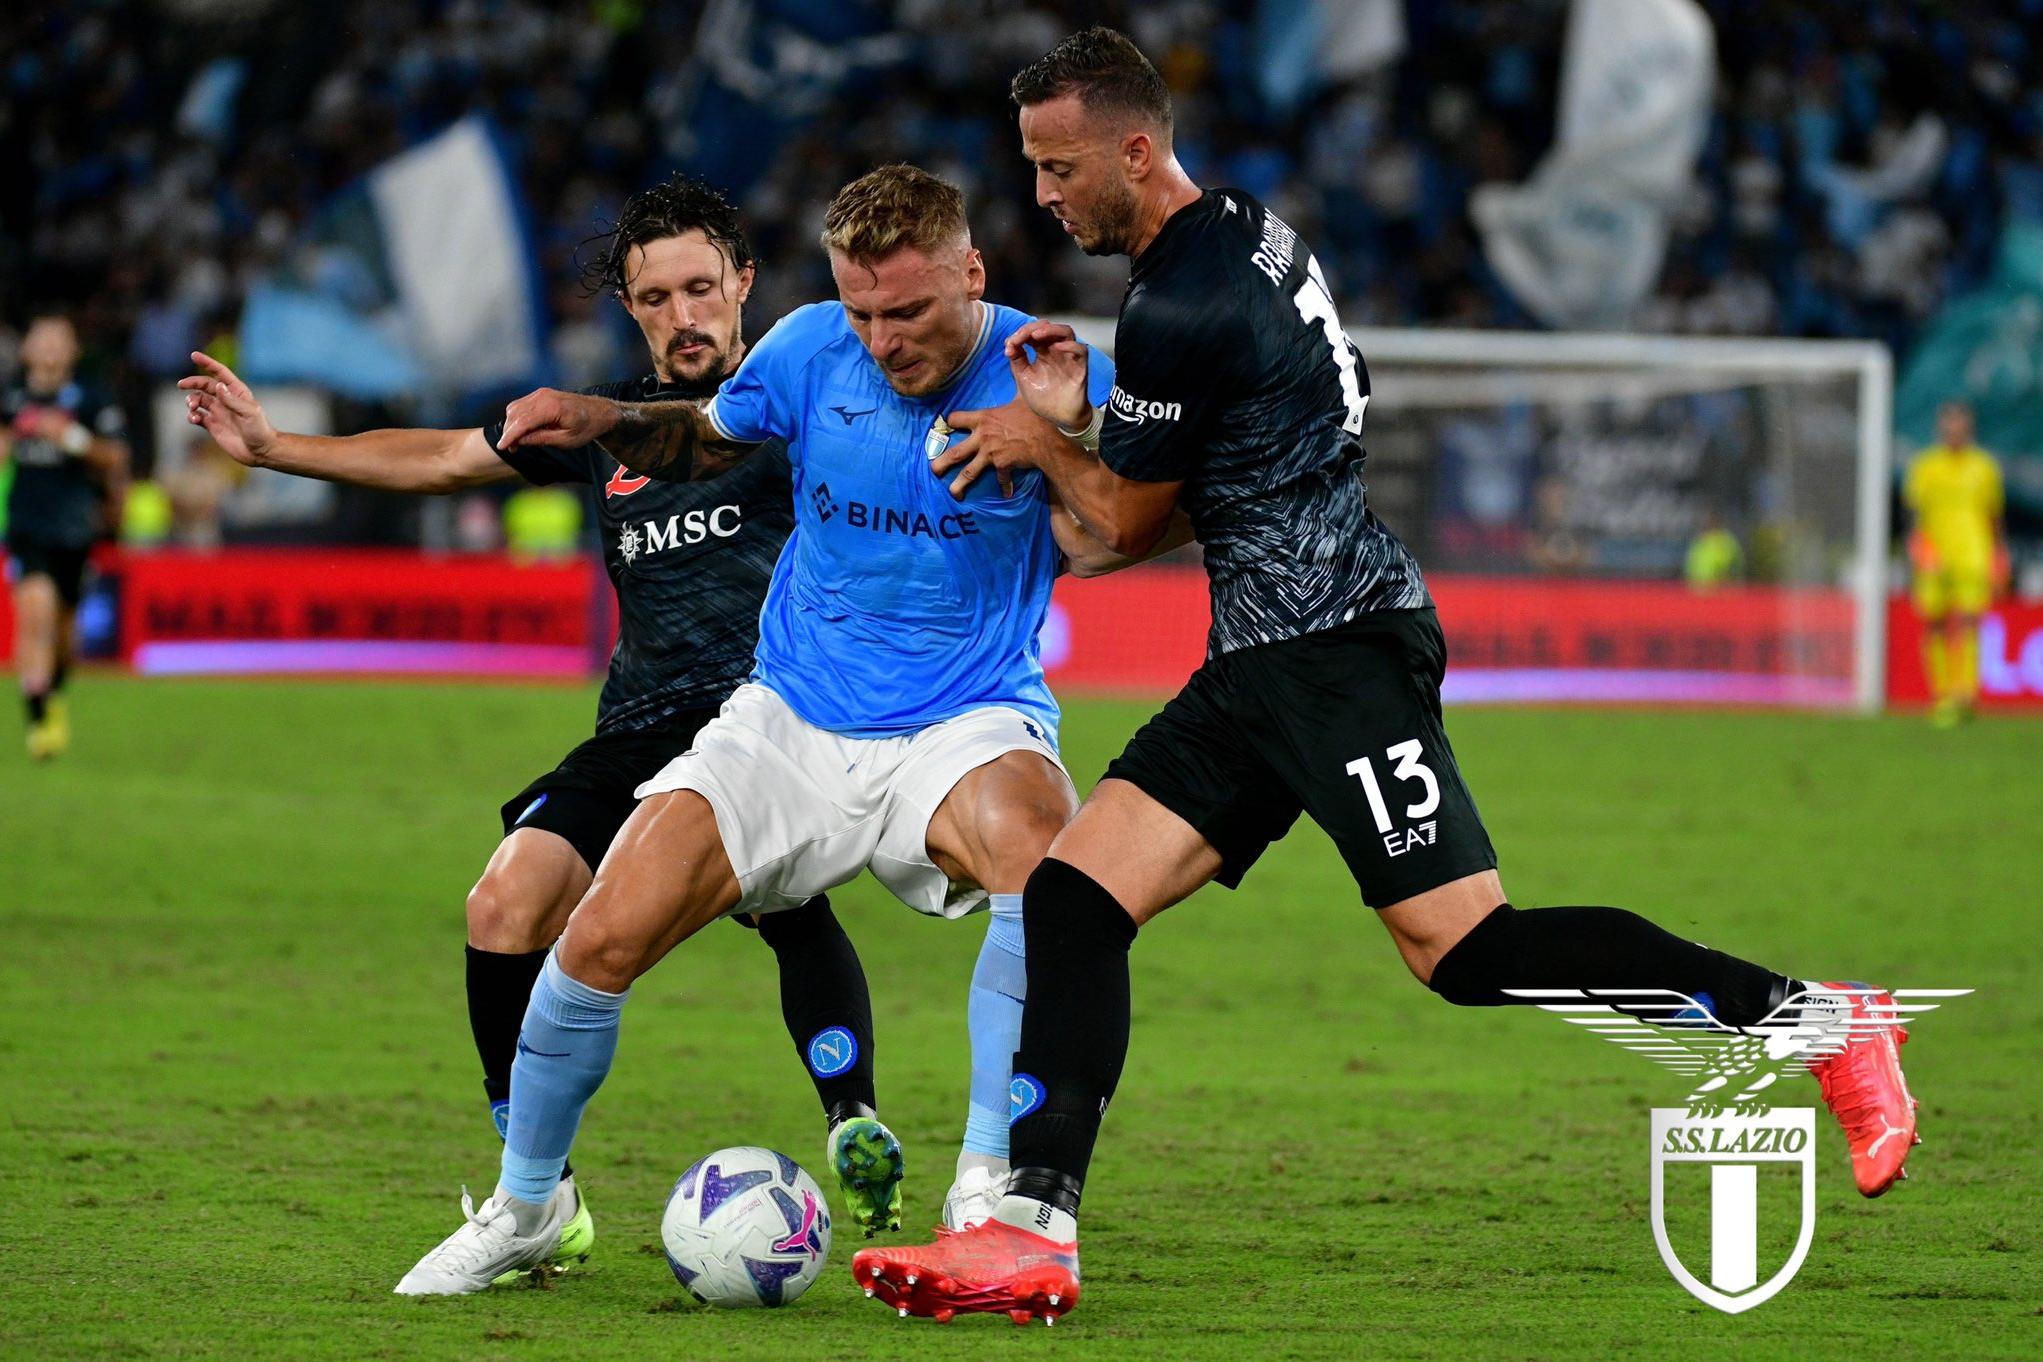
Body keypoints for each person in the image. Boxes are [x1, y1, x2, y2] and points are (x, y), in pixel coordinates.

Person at [857, 28, 1926, 1325]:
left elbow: (1125, 529)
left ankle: (1820, 1023)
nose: (1043, 196)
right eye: (1032, 168)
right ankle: (1030, 1228)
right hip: (1265, 659)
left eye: (1057, 166)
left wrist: (1042, 437)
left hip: (1332, 653)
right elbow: (1313, 404)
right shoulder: (1252, 232)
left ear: (1131, 151)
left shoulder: (1179, 299)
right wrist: (1087, 448)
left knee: (1465, 948)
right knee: (1077, 897)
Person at [391, 162, 1185, 1296]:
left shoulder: (1053, 368)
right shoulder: (809, 348)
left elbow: (1132, 527)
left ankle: (986, 1186)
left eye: (909, 313)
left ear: (973, 274)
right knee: (601, 933)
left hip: (964, 717)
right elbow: (702, 442)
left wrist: (1063, 438)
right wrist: (602, 418)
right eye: (863, 311)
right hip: (790, 716)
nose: (884, 340)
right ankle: (528, 1208)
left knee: (1045, 862)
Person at [183, 174, 993, 1281]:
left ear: (744, 284)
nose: (683, 315)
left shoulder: (804, 397)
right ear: (631, 309)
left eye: (701, 288)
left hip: (771, 715)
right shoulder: (612, 426)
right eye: (655, 298)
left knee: (785, 898)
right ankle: (539, 1193)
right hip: (637, 725)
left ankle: (851, 1113)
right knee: (503, 900)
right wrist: (276, 450)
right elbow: (444, 458)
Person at [2, 315, 129, 760]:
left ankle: (53, 692)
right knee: (34, 613)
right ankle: (37, 718)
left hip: (76, 527)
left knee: (64, 637)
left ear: (74, 350)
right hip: (25, 526)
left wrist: (71, 437)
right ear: (27, 350)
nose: (51, 347)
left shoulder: (93, 398)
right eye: (43, 339)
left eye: (60, 340)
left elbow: (115, 457)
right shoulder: (11, 397)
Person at [1904, 400, 2007, 726]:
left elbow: (1994, 516)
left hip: (1973, 553)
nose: (1955, 430)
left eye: (1960, 423)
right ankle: (1943, 694)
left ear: (1970, 428)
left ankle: (1965, 693)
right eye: (1949, 423)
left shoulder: (1985, 467)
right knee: (1934, 621)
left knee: (1967, 620)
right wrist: (1918, 547)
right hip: (1934, 554)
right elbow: (1914, 515)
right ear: (1940, 428)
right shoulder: (1925, 465)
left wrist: (1998, 555)